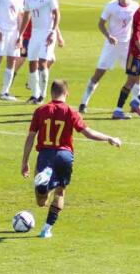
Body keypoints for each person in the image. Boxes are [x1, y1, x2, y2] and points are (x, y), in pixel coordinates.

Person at [20, 79, 122, 239]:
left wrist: (24, 161)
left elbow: (30, 138)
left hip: (45, 155)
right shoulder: (71, 112)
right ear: (67, 93)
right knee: (60, 193)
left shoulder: (40, 111)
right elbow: (89, 133)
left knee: (41, 201)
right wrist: (109, 138)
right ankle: (46, 230)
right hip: (64, 156)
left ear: (51, 93)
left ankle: (43, 186)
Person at [80, 0, 140, 113]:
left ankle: (135, 104)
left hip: (128, 46)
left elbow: (138, 25)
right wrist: (109, 36)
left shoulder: (135, 6)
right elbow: (101, 24)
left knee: (136, 74)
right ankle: (83, 103)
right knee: (99, 73)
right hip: (111, 45)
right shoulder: (111, 6)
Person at [23, 0, 60, 104]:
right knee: (32, 62)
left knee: (43, 62)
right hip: (35, 33)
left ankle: (43, 95)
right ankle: (35, 94)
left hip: (47, 33)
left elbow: (57, 14)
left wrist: (52, 31)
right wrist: (20, 35)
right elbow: (27, 15)